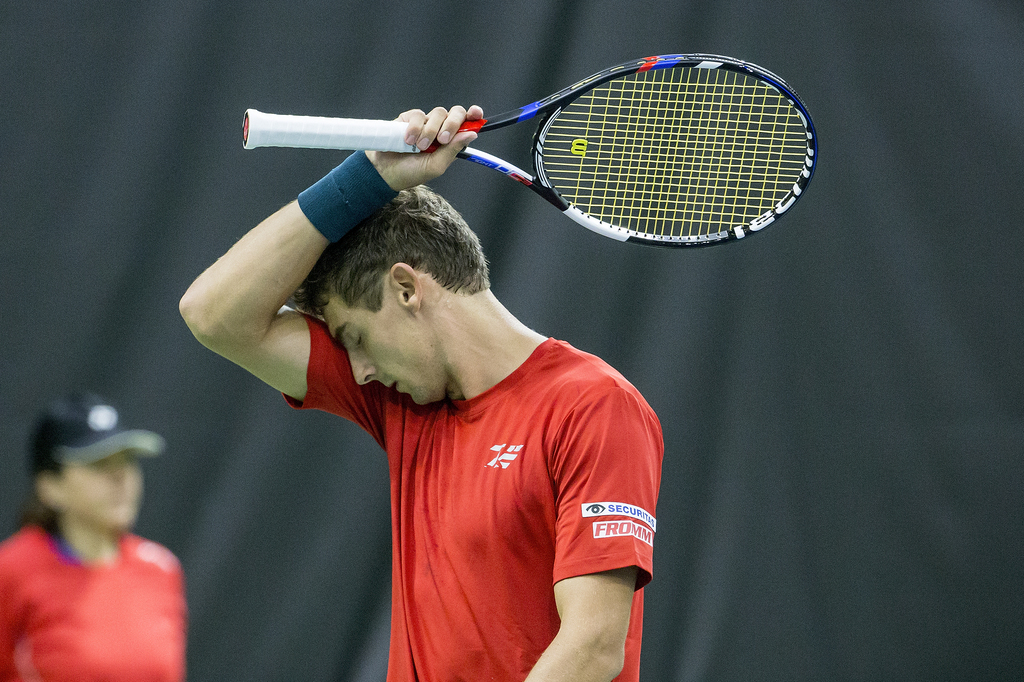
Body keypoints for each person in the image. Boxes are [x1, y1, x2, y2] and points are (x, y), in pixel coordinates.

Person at [179, 105, 662, 682]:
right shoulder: (399, 400)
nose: (357, 370)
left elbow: (593, 648)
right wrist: (371, 175)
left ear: (406, 287)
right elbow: (212, 314)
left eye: (355, 337)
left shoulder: (594, 406)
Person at [0, 392, 187, 682]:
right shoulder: (9, 572)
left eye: (126, 459)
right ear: (50, 487)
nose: (120, 477)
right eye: (98, 464)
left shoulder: (162, 569)